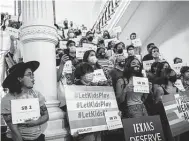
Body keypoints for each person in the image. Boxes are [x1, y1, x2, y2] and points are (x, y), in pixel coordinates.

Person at [1, 61, 49, 141]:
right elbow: (15, 131)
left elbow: (46, 116)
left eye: (33, 74)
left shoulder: (36, 94)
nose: (33, 77)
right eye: (29, 75)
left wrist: (35, 122)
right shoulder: (8, 99)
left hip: (38, 137)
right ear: (19, 78)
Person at [71, 62, 101, 141]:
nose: (91, 74)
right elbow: (71, 109)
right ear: (81, 74)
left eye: (91, 72)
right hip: (83, 127)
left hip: (97, 124)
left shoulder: (96, 88)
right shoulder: (73, 88)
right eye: (88, 72)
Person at [152, 68, 179, 141]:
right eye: (172, 72)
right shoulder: (160, 89)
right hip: (166, 118)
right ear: (167, 75)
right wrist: (161, 101)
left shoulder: (177, 89)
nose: (174, 74)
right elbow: (156, 104)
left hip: (176, 117)